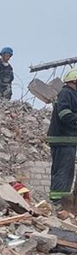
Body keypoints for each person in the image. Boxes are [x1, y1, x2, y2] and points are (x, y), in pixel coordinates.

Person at [49, 69, 77, 204]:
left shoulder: (70, 93)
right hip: (63, 139)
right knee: (63, 172)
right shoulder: (67, 93)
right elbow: (65, 114)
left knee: (67, 173)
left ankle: (62, 202)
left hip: (67, 140)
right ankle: (57, 202)